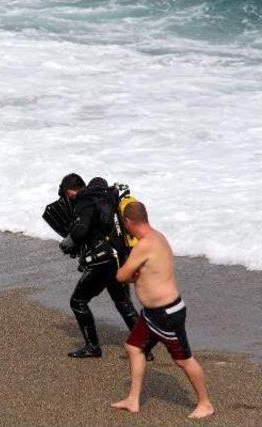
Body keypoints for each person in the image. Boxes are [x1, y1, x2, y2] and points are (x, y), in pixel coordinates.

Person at [111, 202, 214, 418]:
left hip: (167, 313)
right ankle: (133, 399)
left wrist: (128, 274)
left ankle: (205, 403)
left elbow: (121, 276)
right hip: (151, 314)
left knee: (183, 359)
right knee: (133, 346)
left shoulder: (145, 245)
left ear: (128, 222)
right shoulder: (158, 237)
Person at [57, 174, 144, 358]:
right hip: (119, 257)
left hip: (102, 262)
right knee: (123, 303)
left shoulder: (84, 200)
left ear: (69, 191)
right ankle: (143, 346)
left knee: (78, 301)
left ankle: (92, 347)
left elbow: (80, 230)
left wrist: (69, 241)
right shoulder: (105, 194)